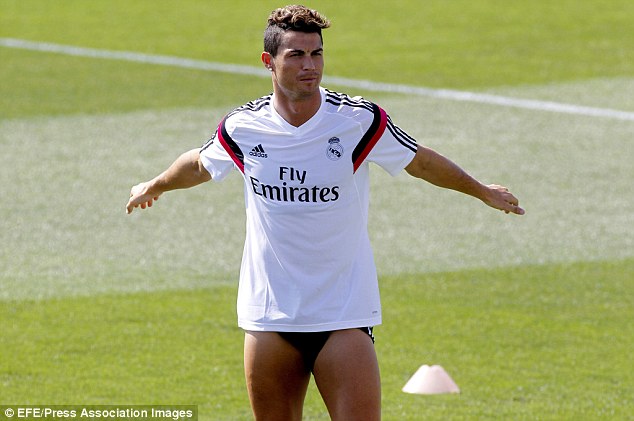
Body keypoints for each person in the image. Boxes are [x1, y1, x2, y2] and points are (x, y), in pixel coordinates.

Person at [126, 5, 524, 420]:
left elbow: (419, 161)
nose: (309, 66)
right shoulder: (242, 127)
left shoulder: (357, 121)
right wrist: (154, 186)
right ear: (269, 62)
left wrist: (480, 191)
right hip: (269, 316)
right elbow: (198, 165)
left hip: (343, 315)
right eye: (296, 55)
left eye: (316, 54)